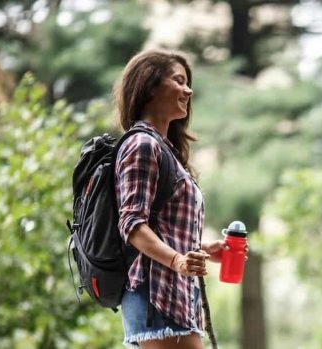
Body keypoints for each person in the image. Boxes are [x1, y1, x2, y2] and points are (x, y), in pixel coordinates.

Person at [113, 49, 236, 349]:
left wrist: (202, 250)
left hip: (174, 302)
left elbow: (161, 228)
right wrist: (178, 260)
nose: (188, 89)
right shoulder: (142, 144)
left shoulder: (166, 151)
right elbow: (132, 225)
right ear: (151, 85)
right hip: (156, 301)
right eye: (179, 80)